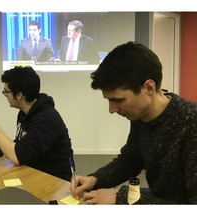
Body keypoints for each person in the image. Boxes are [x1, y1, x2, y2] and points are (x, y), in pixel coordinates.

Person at [70, 41, 197, 204]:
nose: (112, 109)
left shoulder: (191, 122)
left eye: (118, 100)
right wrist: (95, 180)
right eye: (109, 101)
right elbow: (130, 160)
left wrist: (121, 198)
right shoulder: (141, 116)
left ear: (149, 87)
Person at [0, 66, 75, 181]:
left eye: (6, 92)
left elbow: (17, 157)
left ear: (18, 95)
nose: (6, 95)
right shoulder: (25, 112)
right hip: (34, 173)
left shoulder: (46, 118)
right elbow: (21, 143)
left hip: (56, 181)